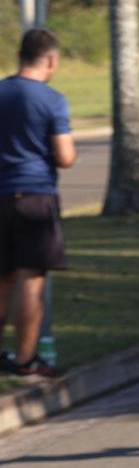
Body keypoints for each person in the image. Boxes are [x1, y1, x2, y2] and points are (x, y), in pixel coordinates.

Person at [0, 29, 76, 377]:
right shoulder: (52, 100)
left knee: (3, 278)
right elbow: (64, 156)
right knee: (31, 279)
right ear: (51, 60)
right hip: (35, 196)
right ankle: (26, 359)